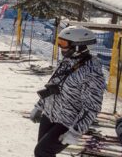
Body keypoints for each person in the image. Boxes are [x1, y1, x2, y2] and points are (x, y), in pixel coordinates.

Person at [29, 26, 106, 157]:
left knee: (42, 151)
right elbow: (52, 87)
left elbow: (92, 107)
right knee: (41, 152)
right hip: (50, 114)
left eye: (64, 43)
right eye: (59, 42)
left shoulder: (92, 72)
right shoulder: (68, 61)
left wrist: (75, 131)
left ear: (79, 46)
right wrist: (39, 106)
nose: (60, 47)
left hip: (67, 122)